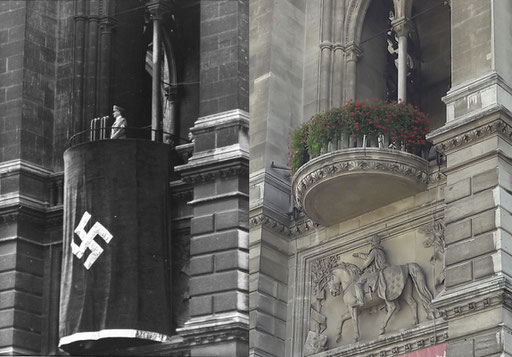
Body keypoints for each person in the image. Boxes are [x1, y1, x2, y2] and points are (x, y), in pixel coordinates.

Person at [352, 235, 389, 306]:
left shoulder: (374, 250)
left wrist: (362, 268)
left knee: (357, 284)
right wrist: (358, 255)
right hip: (379, 270)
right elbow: (368, 257)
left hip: (374, 271)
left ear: (374, 242)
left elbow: (368, 260)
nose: (371, 243)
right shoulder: (379, 250)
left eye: (372, 241)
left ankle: (360, 301)